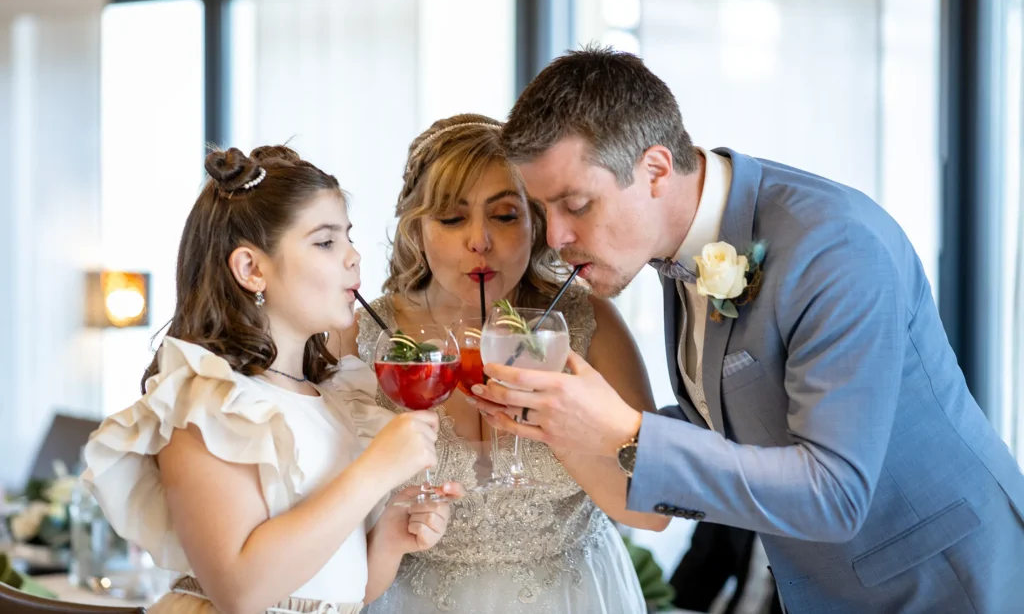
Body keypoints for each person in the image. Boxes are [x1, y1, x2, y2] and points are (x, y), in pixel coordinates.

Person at [473, 47, 1024, 613]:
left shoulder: (833, 247)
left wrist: (629, 432)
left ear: (656, 169)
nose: (556, 236)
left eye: (577, 204)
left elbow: (834, 493)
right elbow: (735, 423)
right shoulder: (676, 250)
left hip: (946, 586)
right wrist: (567, 423)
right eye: (543, 210)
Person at [82, 146, 459, 614]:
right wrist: (374, 472)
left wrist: (388, 541)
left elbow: (333, 594)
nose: (354, 257)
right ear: (251, 269)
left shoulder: (336, 399)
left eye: (349, 238)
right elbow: (241, 592)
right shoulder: (209, 399)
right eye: (326, 242)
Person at [333, 114, 665, 613]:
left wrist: (554, 423)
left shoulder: (582, 324)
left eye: (505, 215)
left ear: (537, 223)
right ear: (416, 228)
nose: (479, 241)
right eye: (451, 218)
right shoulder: (361, 336)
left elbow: (653, 513)